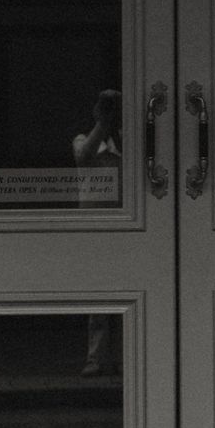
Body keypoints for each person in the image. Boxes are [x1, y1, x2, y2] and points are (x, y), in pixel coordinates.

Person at [72, 89, 121, 374]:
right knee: (99, 297)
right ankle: (96, 359)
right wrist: (102, 121)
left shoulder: (125, 143)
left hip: (126, 227)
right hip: (95, 230)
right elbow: (83, 155)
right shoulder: (83, 140)